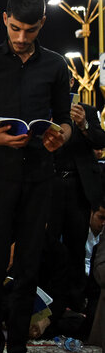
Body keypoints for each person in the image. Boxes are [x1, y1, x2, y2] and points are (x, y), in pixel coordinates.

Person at [0, 0, 72, 353]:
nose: (22, 39)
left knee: (27, 268)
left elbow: (63, 120)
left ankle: (18, 349)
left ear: (42, 24)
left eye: (31, 30)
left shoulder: (56, 65)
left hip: (40, 176)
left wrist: (60, 137)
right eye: (15, 29)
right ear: (4, 19)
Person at [48, 97, 105, 310]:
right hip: (49, 184)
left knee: (77, 245)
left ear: (70, 82)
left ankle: (75, 302)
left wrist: (84, 125)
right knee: (48, 242)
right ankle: (50, 300)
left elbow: (100, 140)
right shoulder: (41, 107)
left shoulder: (87, 111)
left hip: (77, 186)